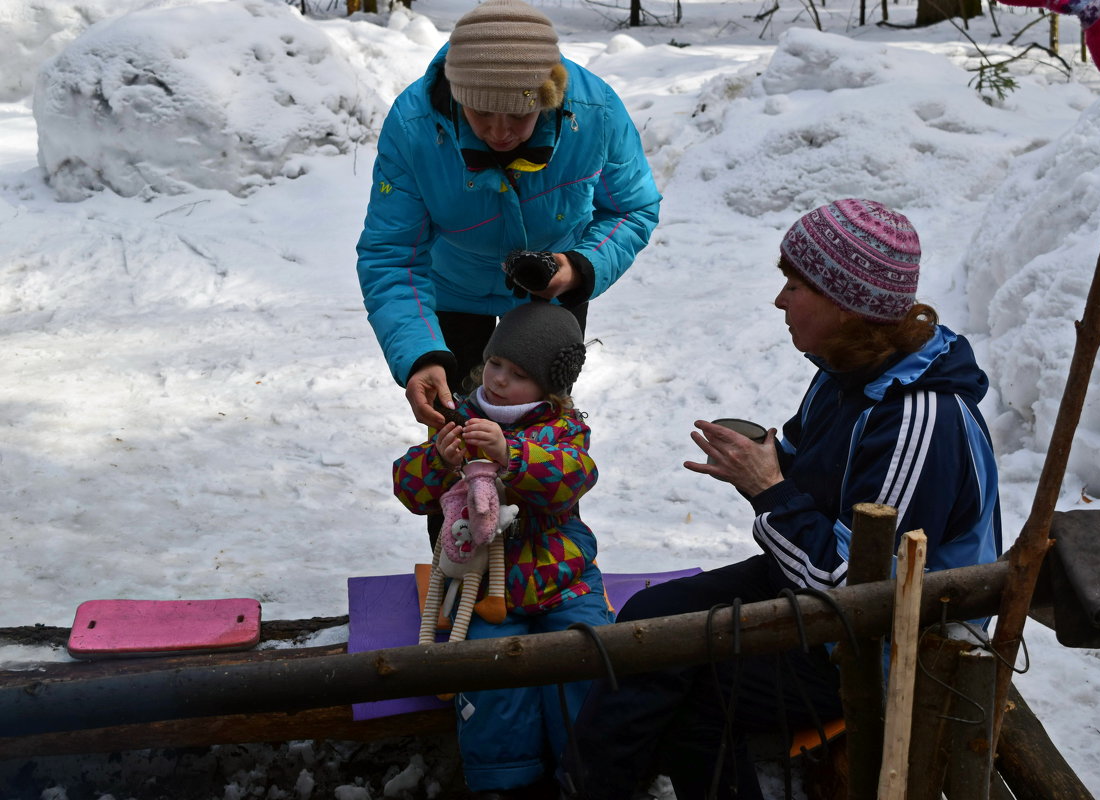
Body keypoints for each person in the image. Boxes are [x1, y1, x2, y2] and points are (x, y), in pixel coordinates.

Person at [558, 199, 1003, 800]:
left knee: (702, 693)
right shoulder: (847, 372)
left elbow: (858, 593)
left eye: (796, 285)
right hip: (816, 592)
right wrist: (765, 462)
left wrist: (767, 488)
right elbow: (802, 468)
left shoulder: (919, 420)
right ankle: (589, 785)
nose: (779, 300)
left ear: (847, 307)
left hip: (886, 648)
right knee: (647, 625)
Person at [356, 0, 661, 430]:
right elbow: (392, 253)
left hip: (551, 288)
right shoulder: (416, 127)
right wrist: (420, 356)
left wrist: (578, 268)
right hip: (453, 292)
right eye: (480, 112)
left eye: (520, 115)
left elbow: (632, 207)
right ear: (456, 95)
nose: (500, 133)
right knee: (457, 438)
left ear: (550, 96)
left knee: (545, 438)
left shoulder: (596, 114)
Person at [393, 302, 613, 800]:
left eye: (518, 374)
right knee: (491, 678)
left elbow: (575, 475)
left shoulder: (563, 428)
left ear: (549, 388)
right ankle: (506, 781)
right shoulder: (458, 417)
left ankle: (589, 772)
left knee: (587, 659)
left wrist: (512, 455)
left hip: (562, 576)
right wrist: (436, 461)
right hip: (482, 581)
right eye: (495, 364)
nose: (498, 380)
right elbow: (407, 488)